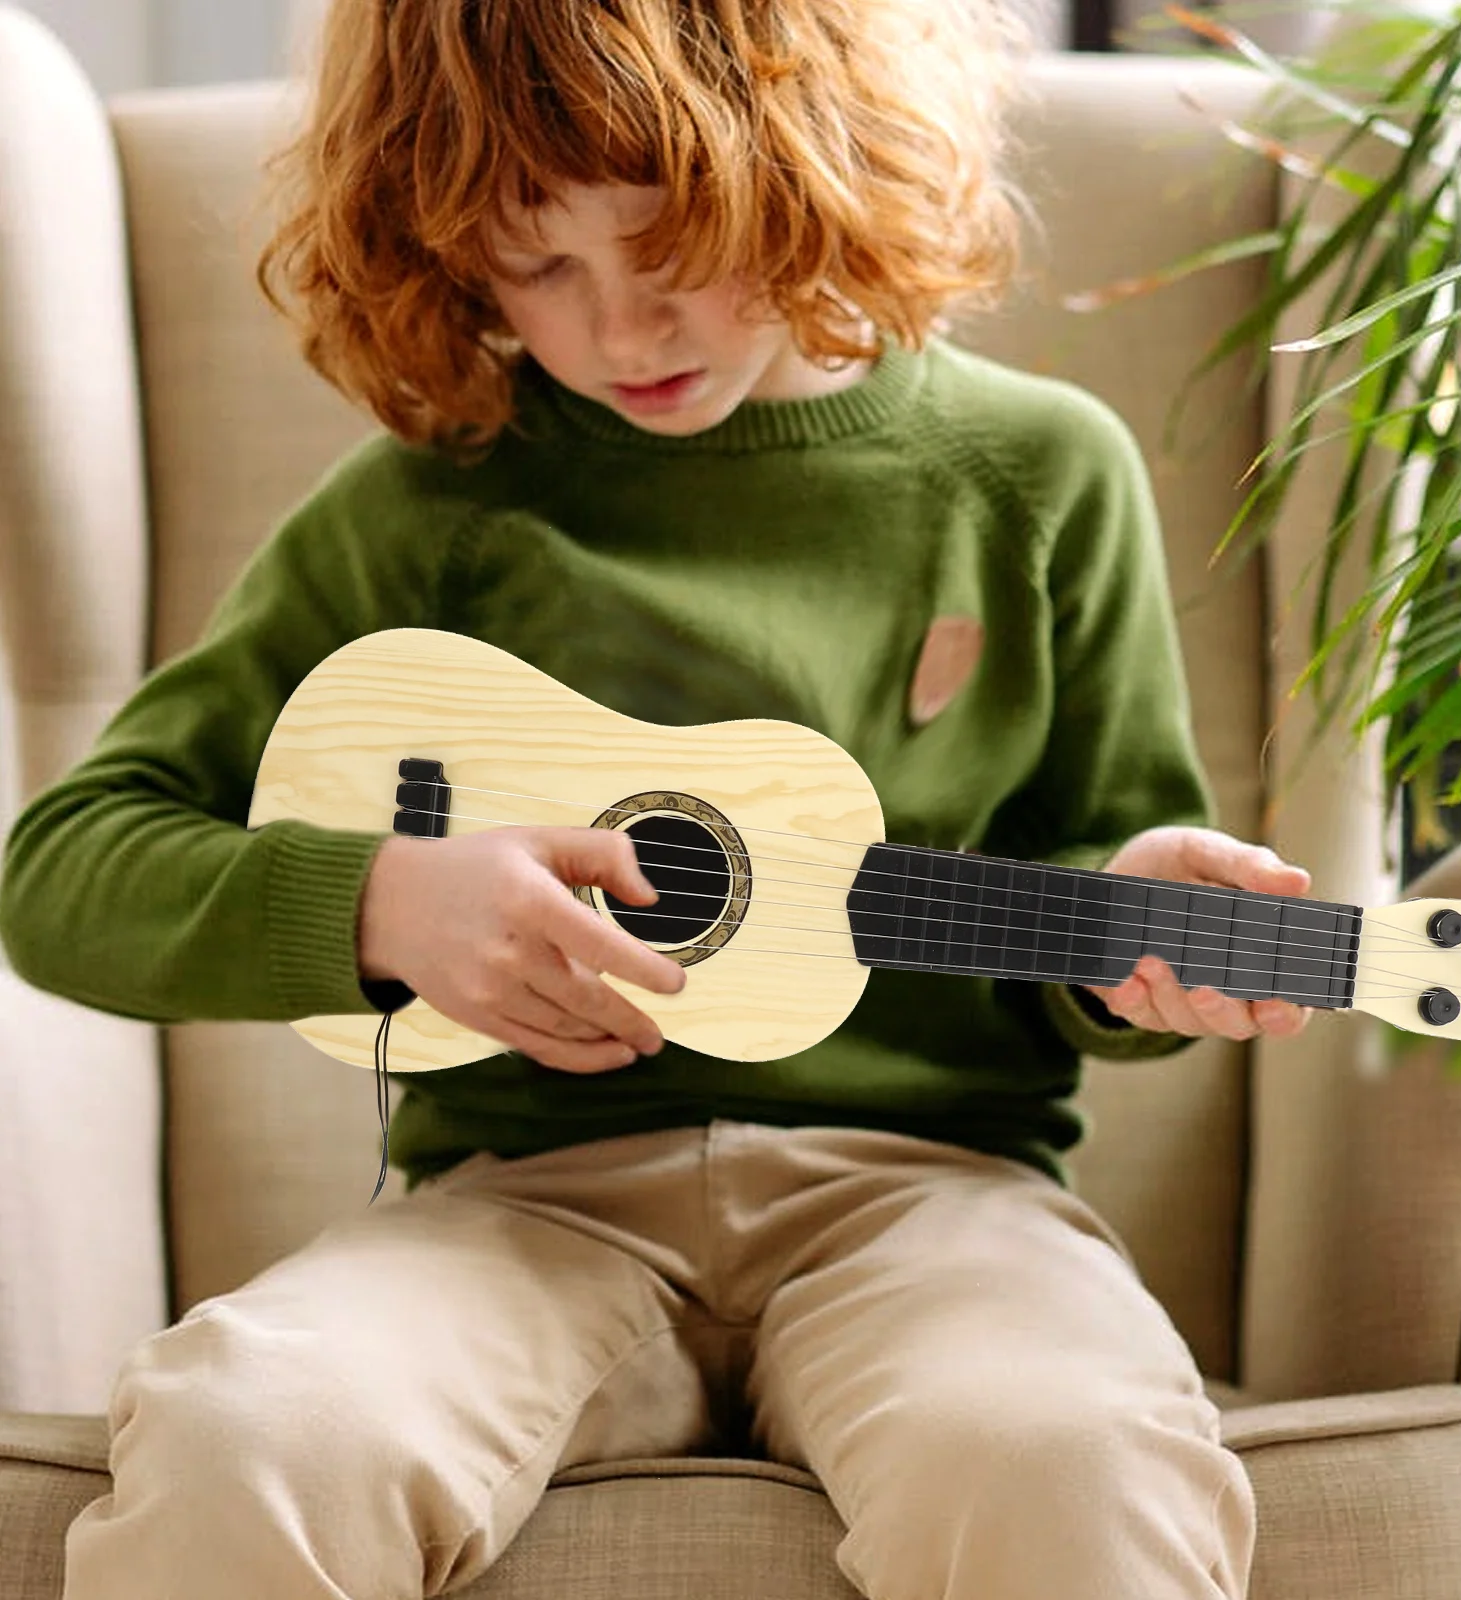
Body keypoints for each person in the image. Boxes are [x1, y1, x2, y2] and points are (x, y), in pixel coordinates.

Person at [0, 1, 1315, 1596]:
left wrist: (1140, 936)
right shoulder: (432, 512)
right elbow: (66, 869)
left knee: (1066, 1460)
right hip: (518, 1205)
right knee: (256, 1434)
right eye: (536, 266)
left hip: (931, 1201)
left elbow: (1103, 910)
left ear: (816, 167)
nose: (623, 333)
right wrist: (378, 901)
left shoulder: (1036, 476)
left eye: (675, 242)